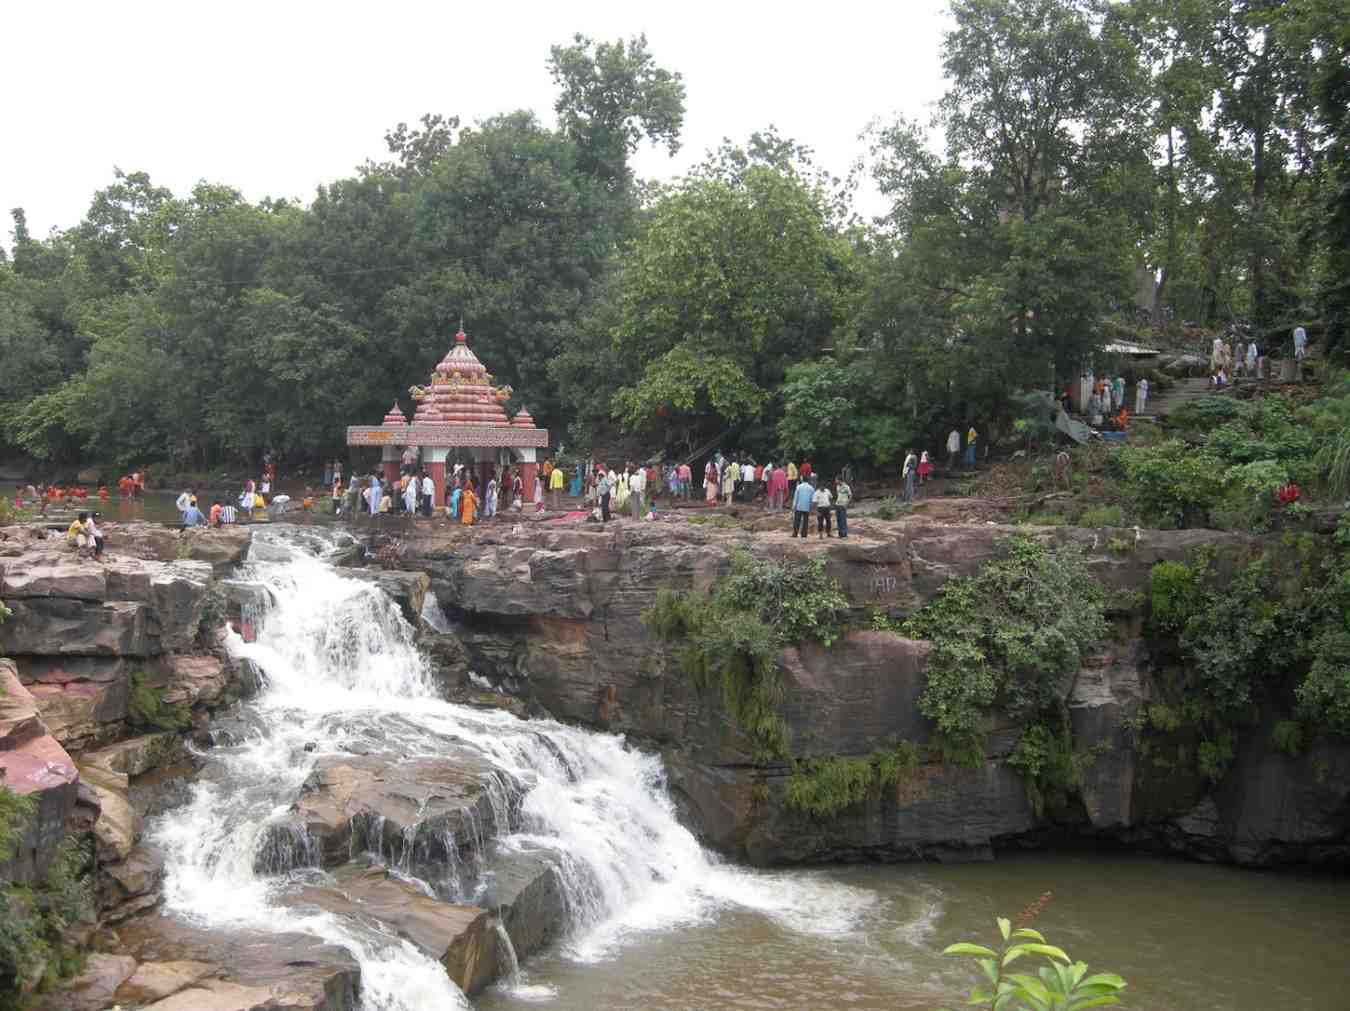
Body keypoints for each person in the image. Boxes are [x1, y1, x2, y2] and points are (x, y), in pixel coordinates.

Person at [791, 474, 815, 538]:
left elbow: (796, 497)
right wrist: (811, 507)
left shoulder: (798, 487)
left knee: (797, 520)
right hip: (807, 507)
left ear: (802, 479)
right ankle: (804, 534)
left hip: (799, 506)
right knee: (805, 521)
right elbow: (812, 499)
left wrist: (794, 506)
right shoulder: (811, 488)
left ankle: (795, 533)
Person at [834, 475, 851, 540]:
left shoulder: (846, 487)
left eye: (836, 480)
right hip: (837, 504)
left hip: (843, 505)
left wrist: (847, 504)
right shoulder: (837, 486)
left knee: (843, 520)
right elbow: (838, 494)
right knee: (838, 520)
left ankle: (845, 535)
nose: (835, 481)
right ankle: (840, 534)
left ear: (839, 480)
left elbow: (850, 495)